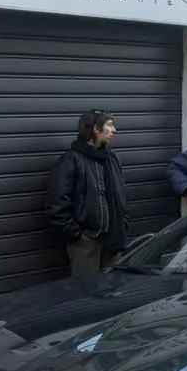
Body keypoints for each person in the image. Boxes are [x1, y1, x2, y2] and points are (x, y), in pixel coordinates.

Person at [45, 109, 129, 276]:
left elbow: (121, 195)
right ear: (95, 130)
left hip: (113, 240)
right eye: (109, 125)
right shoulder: (71, 160)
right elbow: (56, 202)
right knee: (85, 292)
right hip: (86, 243)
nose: (114, 130)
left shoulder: (111, 159)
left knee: (113, 288)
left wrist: (123, 222)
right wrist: (77, 235)